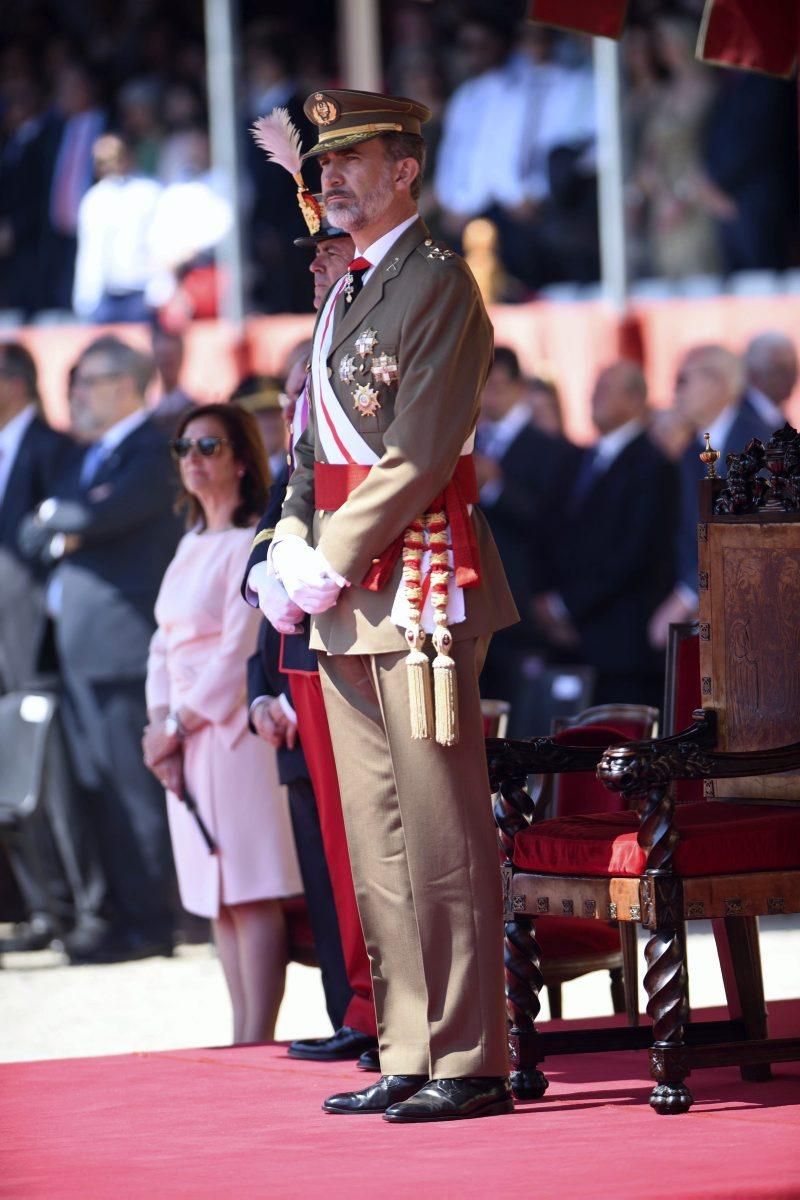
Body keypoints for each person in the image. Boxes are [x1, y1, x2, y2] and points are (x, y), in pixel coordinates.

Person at [250, 88, 518, 1122]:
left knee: (441, 831)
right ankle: (408, 1043)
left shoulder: (436, 281)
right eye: (321, 164)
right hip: (345, 587)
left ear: (405, 169)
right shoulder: (348, 288)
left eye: (352, 159)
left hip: (419, 579)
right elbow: (311, 444)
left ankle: (470, 1054)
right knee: (376, 833)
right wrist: (285, 546)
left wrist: (334, 552)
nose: (329, 179)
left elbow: (416, 448)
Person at [243, 216, 379, 1068]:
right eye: (315, 256)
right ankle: (363, 1008)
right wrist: (269, 562)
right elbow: (291, 496)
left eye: (331, 251)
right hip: (306, 625)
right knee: (335, 845)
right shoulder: (318, 364)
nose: (318, 267)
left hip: (362, 608)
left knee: (371, 837)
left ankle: (387, 1012)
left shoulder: (366, 348)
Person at [144, 404, 301, 1044]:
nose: (192, 458)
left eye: (208, 445)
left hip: (228, 733)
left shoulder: (245, 544)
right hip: (183, 732)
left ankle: (256, 1035)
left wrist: (177, 722)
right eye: (184, 446)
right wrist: (159, 722)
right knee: (216, 890)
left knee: (249, 884)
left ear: (240, 459)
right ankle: (241, 1032)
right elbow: (163, 646)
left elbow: (238, 650)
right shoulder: (189, 543)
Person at [26, 334, 182, 962]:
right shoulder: (88, 457)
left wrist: (64, 522)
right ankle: (122, 915)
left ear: (124, 384)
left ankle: (153, 922)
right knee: (99, 789)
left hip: (123, 649)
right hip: (82, 651)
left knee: (131, 790)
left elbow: (91, 518)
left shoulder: (152, 447)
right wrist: (65, 522)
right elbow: (44, 528)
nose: (78, 396)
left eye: (88, 382)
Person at [534, 361, 680, 708]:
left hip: (621, 646)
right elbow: (550, 532)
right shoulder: (578, 458)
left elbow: (634, 552)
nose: (593, 396)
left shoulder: (653, 465)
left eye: (605, 388)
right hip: (567, 643)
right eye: (594, 387)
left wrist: (568, 606)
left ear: (634, 399)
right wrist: (546, 601)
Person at [475, 345, 577, 726]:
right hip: (473, 600)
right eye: (481, 386)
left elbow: (552, 521)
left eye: (496, 385)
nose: (487, 397)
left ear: (518, 386)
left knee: (520, 717)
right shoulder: (469, 441)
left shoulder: (547, 448)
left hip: (523, 603)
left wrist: (496, 485)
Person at [648, 344, 775, 650]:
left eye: (683, 380)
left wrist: (687, 595)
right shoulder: (694, 447)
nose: (675, 391)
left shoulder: (758, 443)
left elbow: (746, 535)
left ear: (717, 383)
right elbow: (689, 531)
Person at [71, 134, 162, 323]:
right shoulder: (94, 199)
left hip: (142, 293)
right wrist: (85, 298)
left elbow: (159, 242)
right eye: (102, 161)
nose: (110, 165)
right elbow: (90, 251)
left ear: (128, 156)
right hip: (106, 298)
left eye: (115, 158)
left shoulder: (149, 192)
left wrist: (159, 289)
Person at [742, 332, 798, 429]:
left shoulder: (777, 418)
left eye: (793, 369)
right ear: (755, 373)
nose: (790, 378)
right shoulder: (739, 420)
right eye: (781, 369)